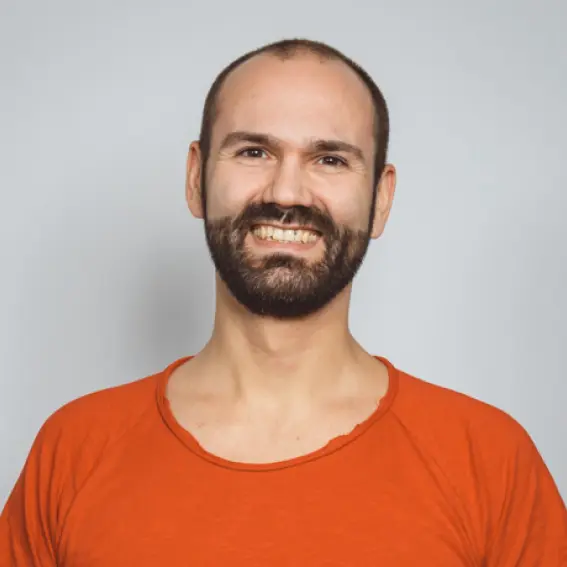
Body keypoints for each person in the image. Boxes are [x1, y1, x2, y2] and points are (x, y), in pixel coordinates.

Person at [1, 38, 566, 566]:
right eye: (254, 151)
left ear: (381, 198)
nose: (287, 193)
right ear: (196, 178)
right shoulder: (73, 450)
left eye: (330, 159)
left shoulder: (488, 459)